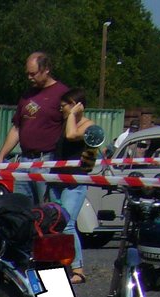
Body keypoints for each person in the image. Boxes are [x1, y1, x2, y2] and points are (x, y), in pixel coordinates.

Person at [0, 52, 63, 204]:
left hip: (47, 161)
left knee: (47, 210)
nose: (29, 78)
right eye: (28, 74)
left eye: (33, 74)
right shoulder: (27, 95)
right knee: (21, 208)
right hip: (24, 160)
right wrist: (1, 156)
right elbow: (17, 128)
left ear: (46, 70)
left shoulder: (62, 93)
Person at [49, 88, 95, 285]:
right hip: (57, 179)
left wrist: (74, 114)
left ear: (77, 105)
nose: (61, 109)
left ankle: (78, 269)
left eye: (65, 105)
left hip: (75, 182)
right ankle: (59, 265)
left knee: (67, 223)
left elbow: (71, 135)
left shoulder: (88, 125)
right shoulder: (62, 123)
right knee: (54, 224)